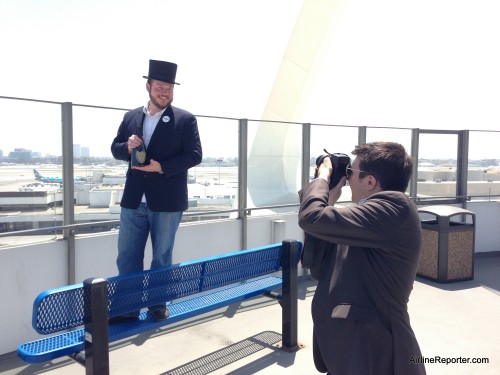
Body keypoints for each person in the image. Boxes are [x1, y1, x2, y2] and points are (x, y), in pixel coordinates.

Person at [298, 142, 426, 375]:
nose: (345, 180)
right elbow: (317, 266)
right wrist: (329, 202)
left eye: (350, 173)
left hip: (373, 352)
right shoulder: (366, 217)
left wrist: (324, 177)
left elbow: (311, 217)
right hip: (348, 350)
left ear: (370, 182)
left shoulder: (394, 209)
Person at [110, 59, 202, 322]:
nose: (166, 92)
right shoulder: (131, 117)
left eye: (170, 88)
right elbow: (115, 149)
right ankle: (127, 308)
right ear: (148, 87)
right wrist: (126, 146)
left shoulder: (185, 119)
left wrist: (162, 167)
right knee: (127, 257)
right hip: (133, 200)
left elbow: (195, 155)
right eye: (161, 87)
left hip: (167, 201)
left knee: (161, 257)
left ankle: (157, 305)